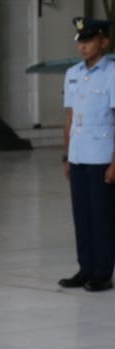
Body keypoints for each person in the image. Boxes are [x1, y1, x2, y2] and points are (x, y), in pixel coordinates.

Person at [59, 16, 115, 292]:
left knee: (102, 217)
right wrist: (67, 155)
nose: (83, 46)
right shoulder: (72, 74)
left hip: (103, 157)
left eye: (89, 40)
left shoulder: (112, 74)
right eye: (80, 41)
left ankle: (103, 273)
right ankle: (86, 268)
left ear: (104, 42)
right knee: (81, 216)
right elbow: (69, 117)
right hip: (79, 155)